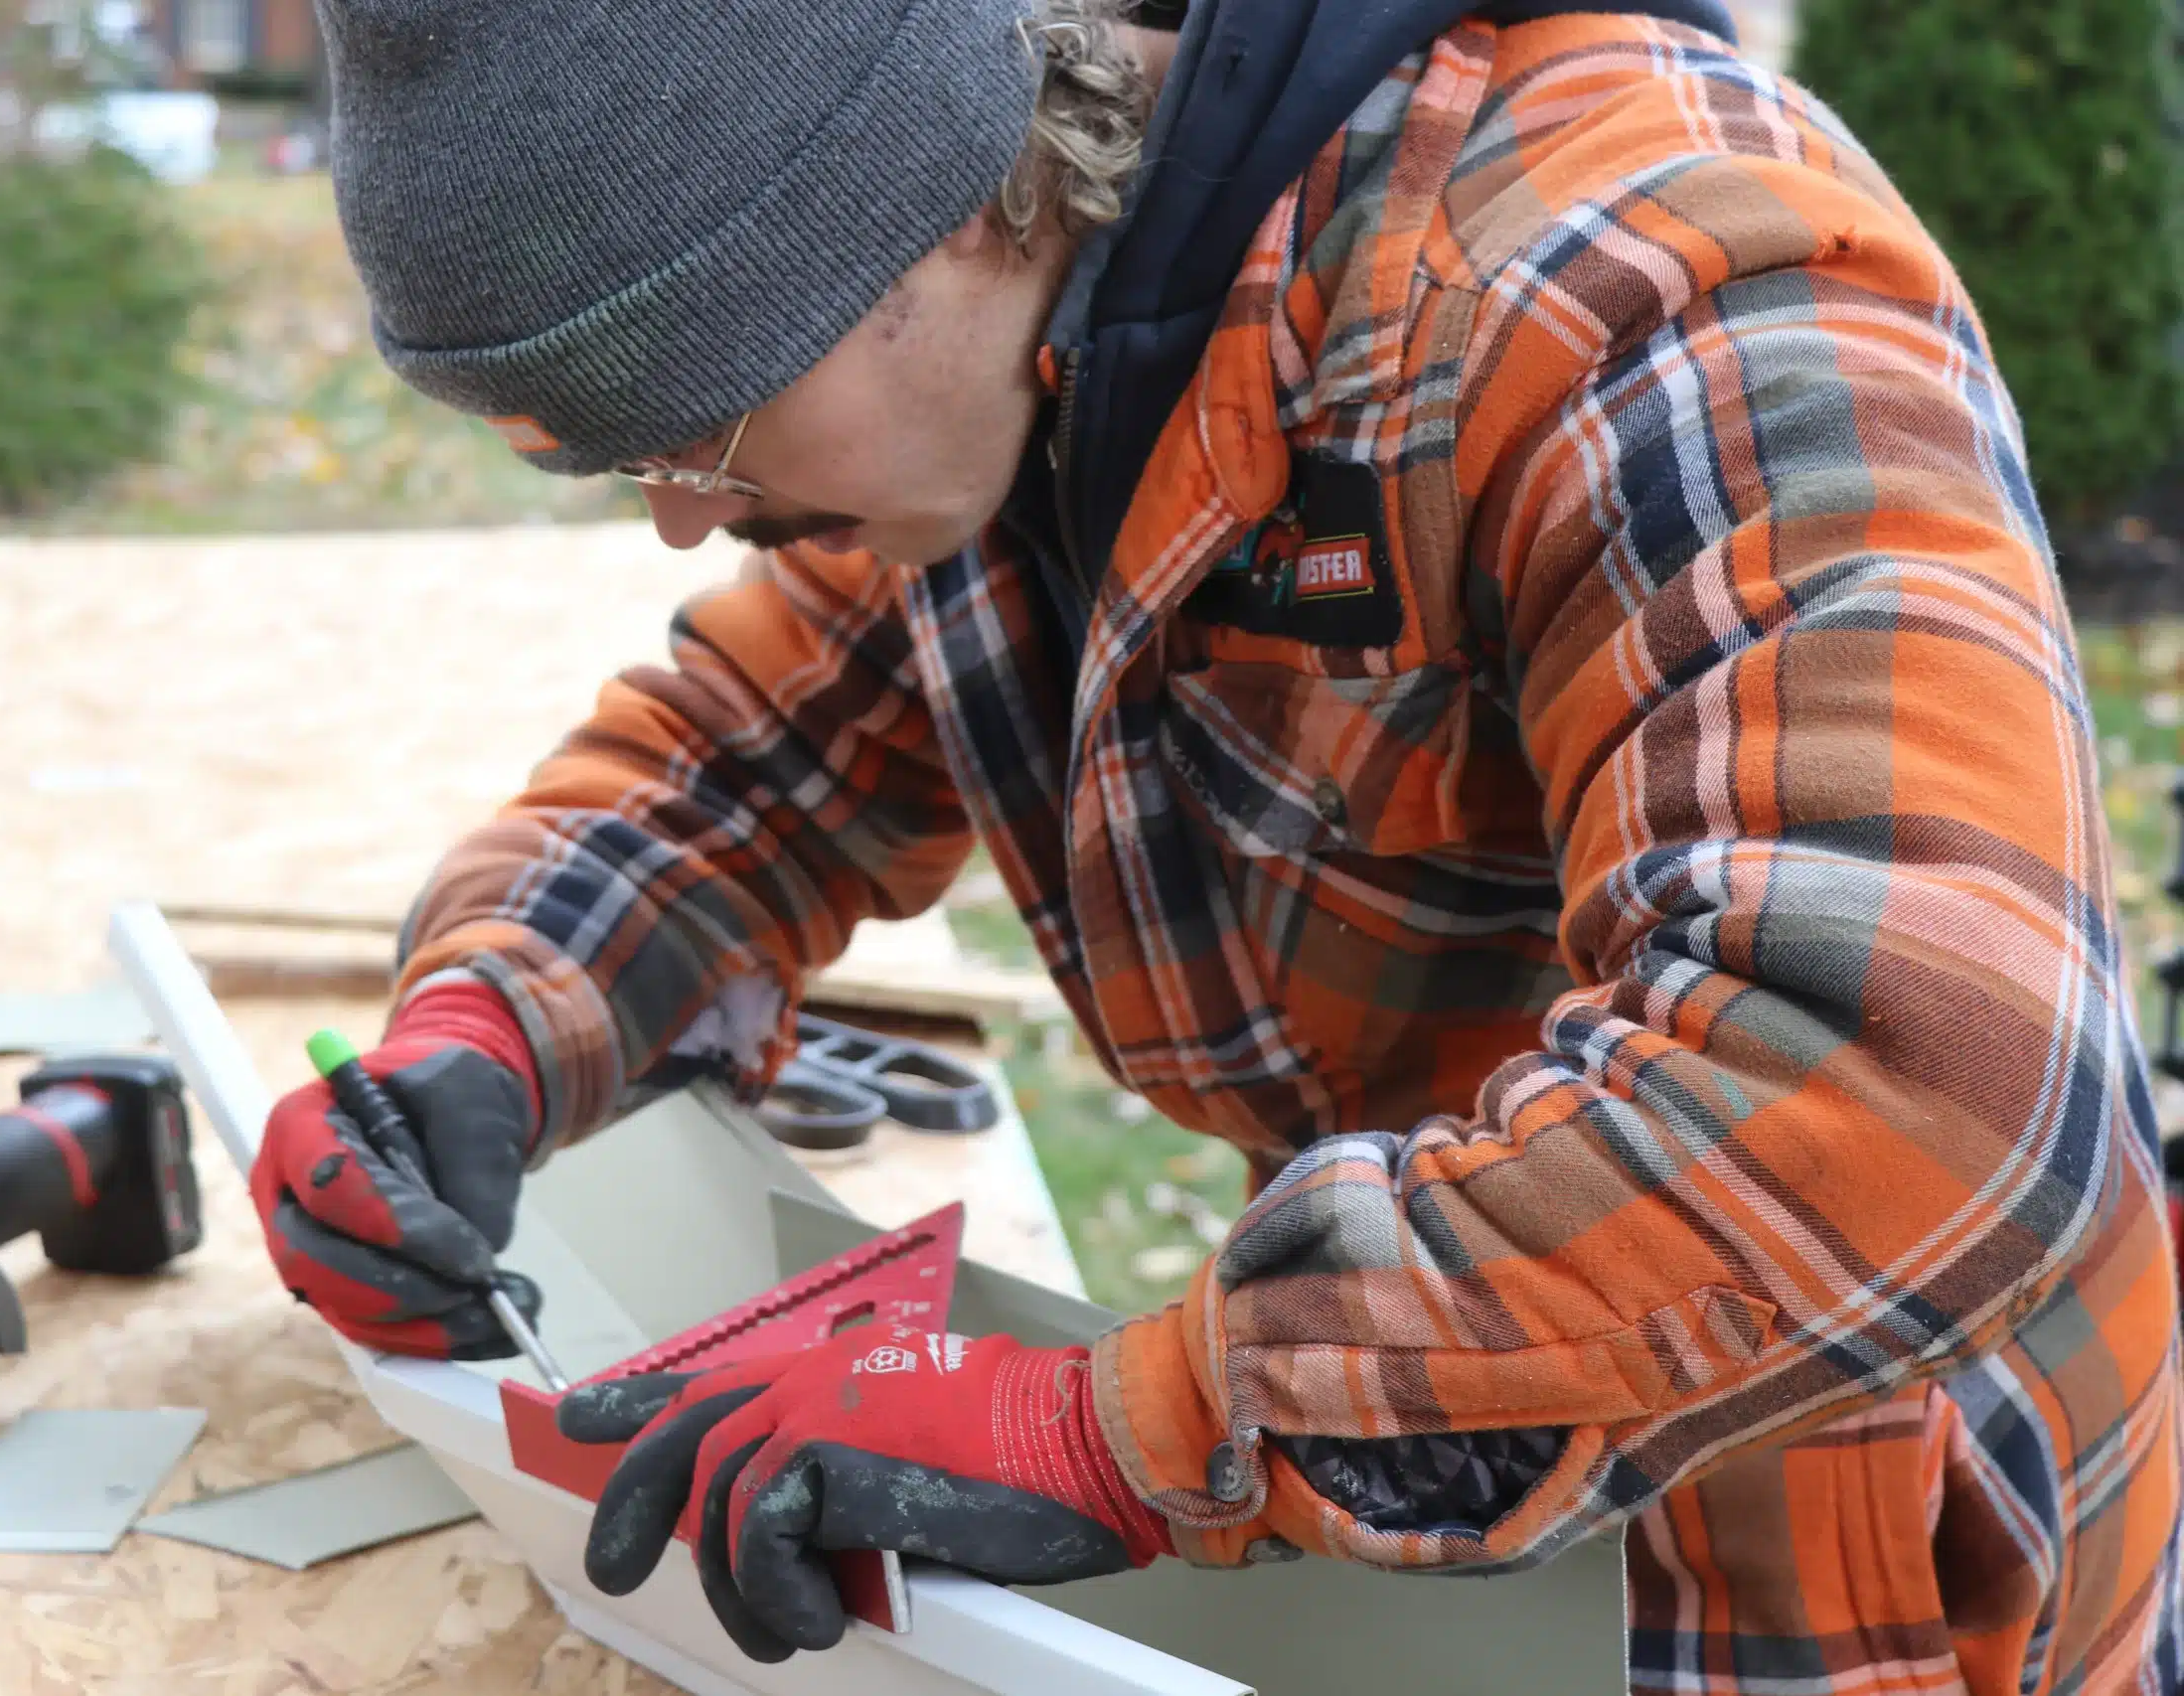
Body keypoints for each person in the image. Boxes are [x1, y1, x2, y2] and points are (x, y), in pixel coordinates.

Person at [251, 0, 2184, 1687]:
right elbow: (741, 768)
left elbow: (1911, 1082)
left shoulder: (1642, 280)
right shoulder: (1018, 383)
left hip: (1845, 1537)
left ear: (929, 203)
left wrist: (1124, 1424)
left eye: (693, 430)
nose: (685, 524)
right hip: (1475, 1447)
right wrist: (483, 1035)